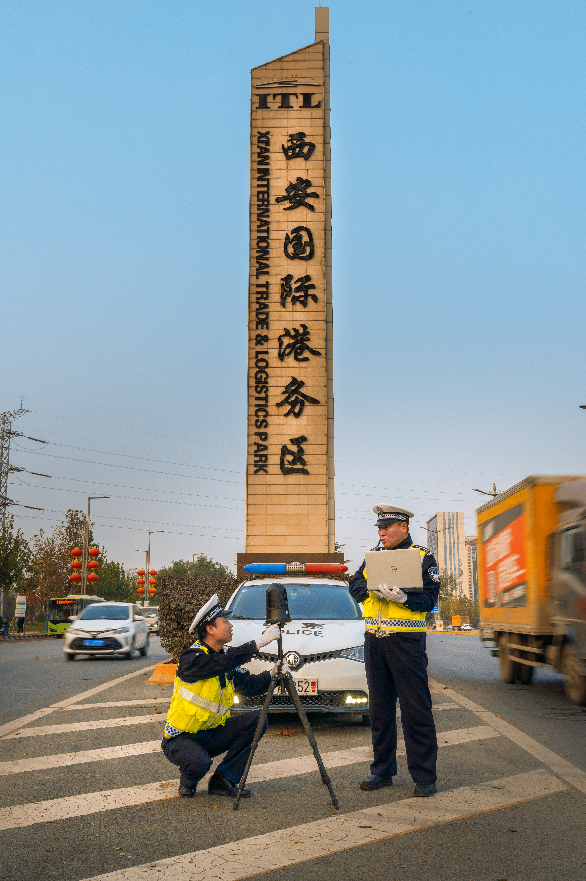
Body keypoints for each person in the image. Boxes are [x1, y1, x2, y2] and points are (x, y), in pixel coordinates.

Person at [349, 504, 440, 797]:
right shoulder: (373, 557)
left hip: (406, 642)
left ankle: (424, 776)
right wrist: (368, 590)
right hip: (375, 641)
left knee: (416, 710)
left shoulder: (422, 557)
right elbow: (354, 583)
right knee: (379, 710)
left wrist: (404, 598)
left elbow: (430, 598)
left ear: (403, 526)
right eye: (379, 528)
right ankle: (382, 771)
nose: (381, 532)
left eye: (386, 527)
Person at [161, 593, 281, 798]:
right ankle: (189, 779)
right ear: (210, 629)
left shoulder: (225, 657)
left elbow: (250, 686)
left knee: (257, 719)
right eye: (225, 621)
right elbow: (218, 665)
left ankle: (222, 780)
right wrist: (258, 643)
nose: (231, 625)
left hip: (212, 733)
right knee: (199, 763)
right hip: (181, 739)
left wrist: (273, 674)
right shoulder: (191, 658)